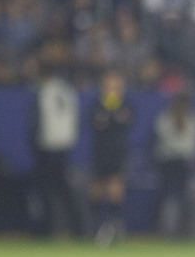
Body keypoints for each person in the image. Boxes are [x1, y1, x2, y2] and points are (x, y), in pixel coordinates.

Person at [30, 54, 84, 237]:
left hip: (48, 145)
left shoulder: (44, 91)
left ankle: (48, 229)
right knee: (63, 189)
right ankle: (78, 228)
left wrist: (35, 142)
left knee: (48, 191)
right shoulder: (68, 90)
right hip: (64, 145)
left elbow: (37, 122)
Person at [90, 69, 133, 243]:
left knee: (116, 186)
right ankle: (97, 226)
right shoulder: (96, 106)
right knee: (97, 189)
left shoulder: (126, 106)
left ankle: (114, 225)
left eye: (116, 86)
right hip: (100, 153)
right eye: (109, 86)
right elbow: (95, 124)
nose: (113, 89)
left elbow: (127, 122)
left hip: (118, 153)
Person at [153, 91, 195, 237]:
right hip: (168, 163)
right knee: (166, 199)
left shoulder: (193, 120)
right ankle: (163, 232)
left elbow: (193, 144)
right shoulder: (165, 120)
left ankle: (184, 232)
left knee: (185, 199)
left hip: (184, 164)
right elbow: (165, 141)